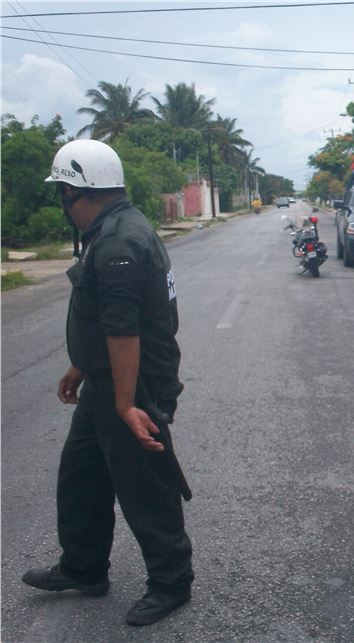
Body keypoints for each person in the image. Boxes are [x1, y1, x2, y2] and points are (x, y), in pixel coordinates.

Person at [21, 139, 194, 627]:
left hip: (133, 390)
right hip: (107, 381)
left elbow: (125, 329)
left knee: (146, 489)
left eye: (62, 193)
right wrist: (82, 365)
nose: (62, 204)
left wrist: (124, 404)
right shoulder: (113, 227)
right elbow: (107, 317)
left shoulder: (118, 240)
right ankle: (83, 567)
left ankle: (171, 581)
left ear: (77, 191)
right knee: (81, 479)